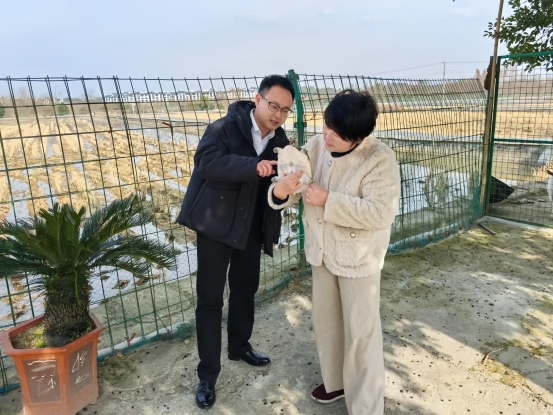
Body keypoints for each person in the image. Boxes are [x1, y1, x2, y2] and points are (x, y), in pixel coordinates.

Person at [269, 89, 401, 415]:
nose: (327, 136)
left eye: (338, 134)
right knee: (327, 323)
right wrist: (282, 189)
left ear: (359, 137)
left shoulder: (379, 159)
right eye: (327, 125)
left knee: (361, 334)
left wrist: (328, 200)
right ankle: (337, 383)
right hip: (322, 252)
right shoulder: (316, 146)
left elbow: (380, 213)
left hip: (359, 258)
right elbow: (295, 186)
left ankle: (366, 407)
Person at [176, 75, 301, 410]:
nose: (278, 114)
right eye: (273, 105)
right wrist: (253, 165)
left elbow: (278, 183)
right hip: (216, 225)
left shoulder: (281, 141)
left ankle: (239, 346)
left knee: (246, 289)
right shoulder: (223, 128)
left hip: (252, 227)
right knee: (210, 299)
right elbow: (206, 163)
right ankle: (207, 374)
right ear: (258, 100)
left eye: (285, 110)